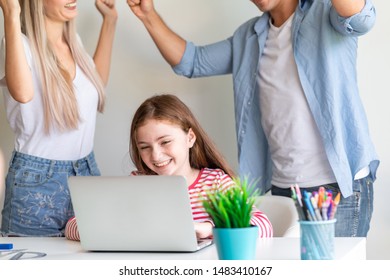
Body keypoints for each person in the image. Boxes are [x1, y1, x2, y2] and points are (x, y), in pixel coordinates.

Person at [126, 0, 380, 237]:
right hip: (283, 187)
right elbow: (192, 62)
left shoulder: (325, 12)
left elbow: (362, 18)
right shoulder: (248, 37)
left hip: (338, 186)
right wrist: (148, 15)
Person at [65, 94, 273, 241]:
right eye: (144, 147)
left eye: (165, 142)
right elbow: (72, 226)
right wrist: (113, 229)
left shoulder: (215, 183)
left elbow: (264, 227)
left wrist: (210, 229)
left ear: (190, 138)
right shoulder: (135, 184)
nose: (156, 155)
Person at [0, 0, 117, 237]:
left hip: (85, 171)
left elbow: (96, 85)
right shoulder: (17, 44)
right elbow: (22, 93)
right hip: (36, 183)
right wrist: (11, 12)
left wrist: (110, 21)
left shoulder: (74, 44)